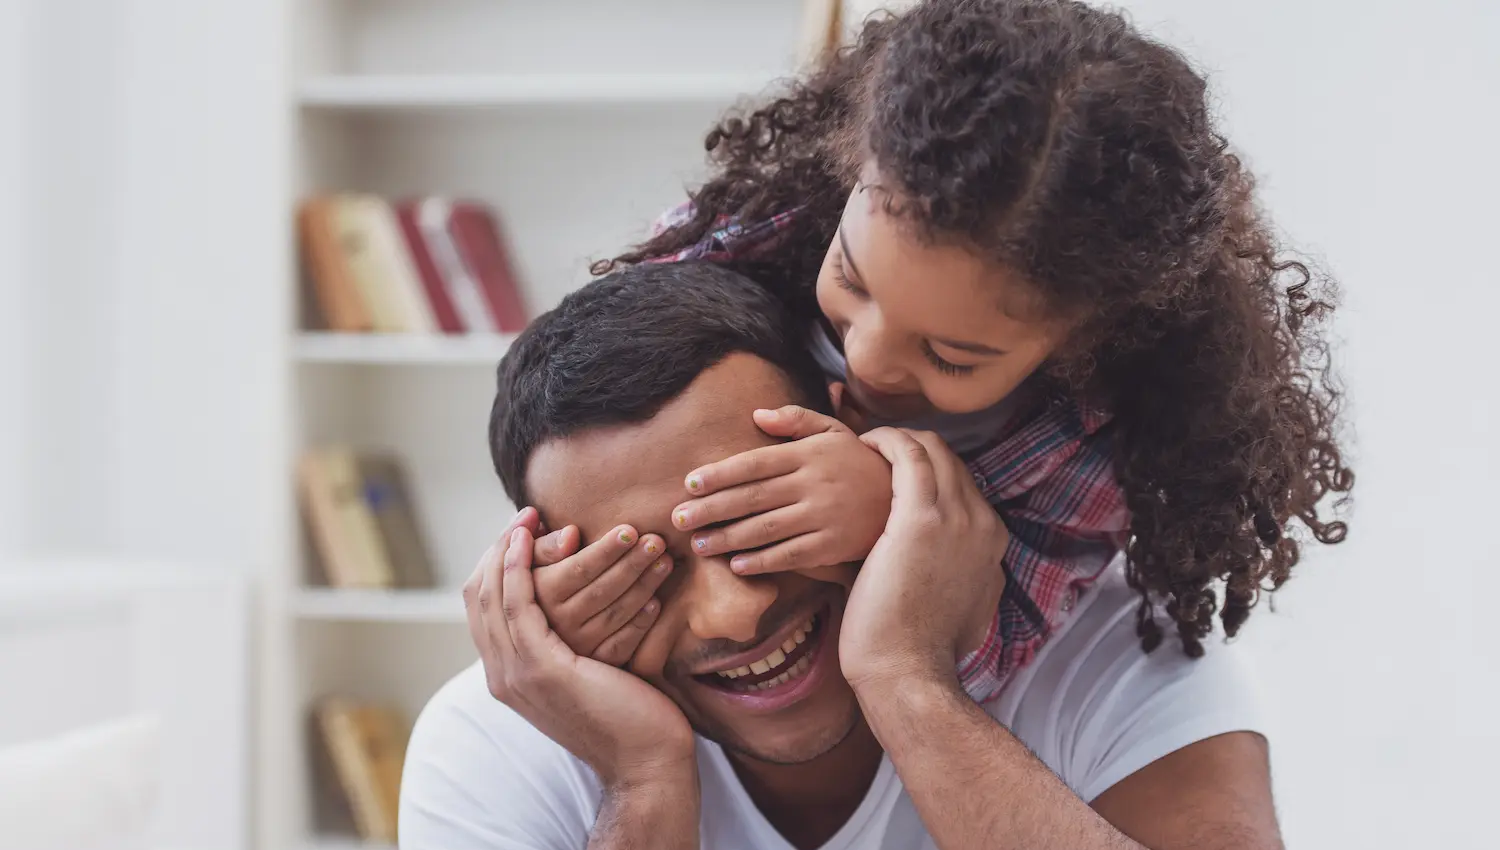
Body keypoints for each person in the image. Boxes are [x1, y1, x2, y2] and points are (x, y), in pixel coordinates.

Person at [399, 262, 1314, 850]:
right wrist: (642, 781)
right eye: (648, 569)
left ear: (855, 440)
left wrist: (910, 680)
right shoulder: (495, 736)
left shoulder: (1113, 645)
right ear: (543, 583)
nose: (735, 611)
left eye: (760, 521)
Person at [521, 0, 1353, 703]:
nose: (873, 360)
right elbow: (585, 401)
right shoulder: (748, 231)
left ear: (1082, 343)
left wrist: (892, 514)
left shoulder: (1093, 448)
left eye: (953, 356)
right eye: (850, 276)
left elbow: (999, 650)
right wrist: (568, 578)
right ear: (850, 165)